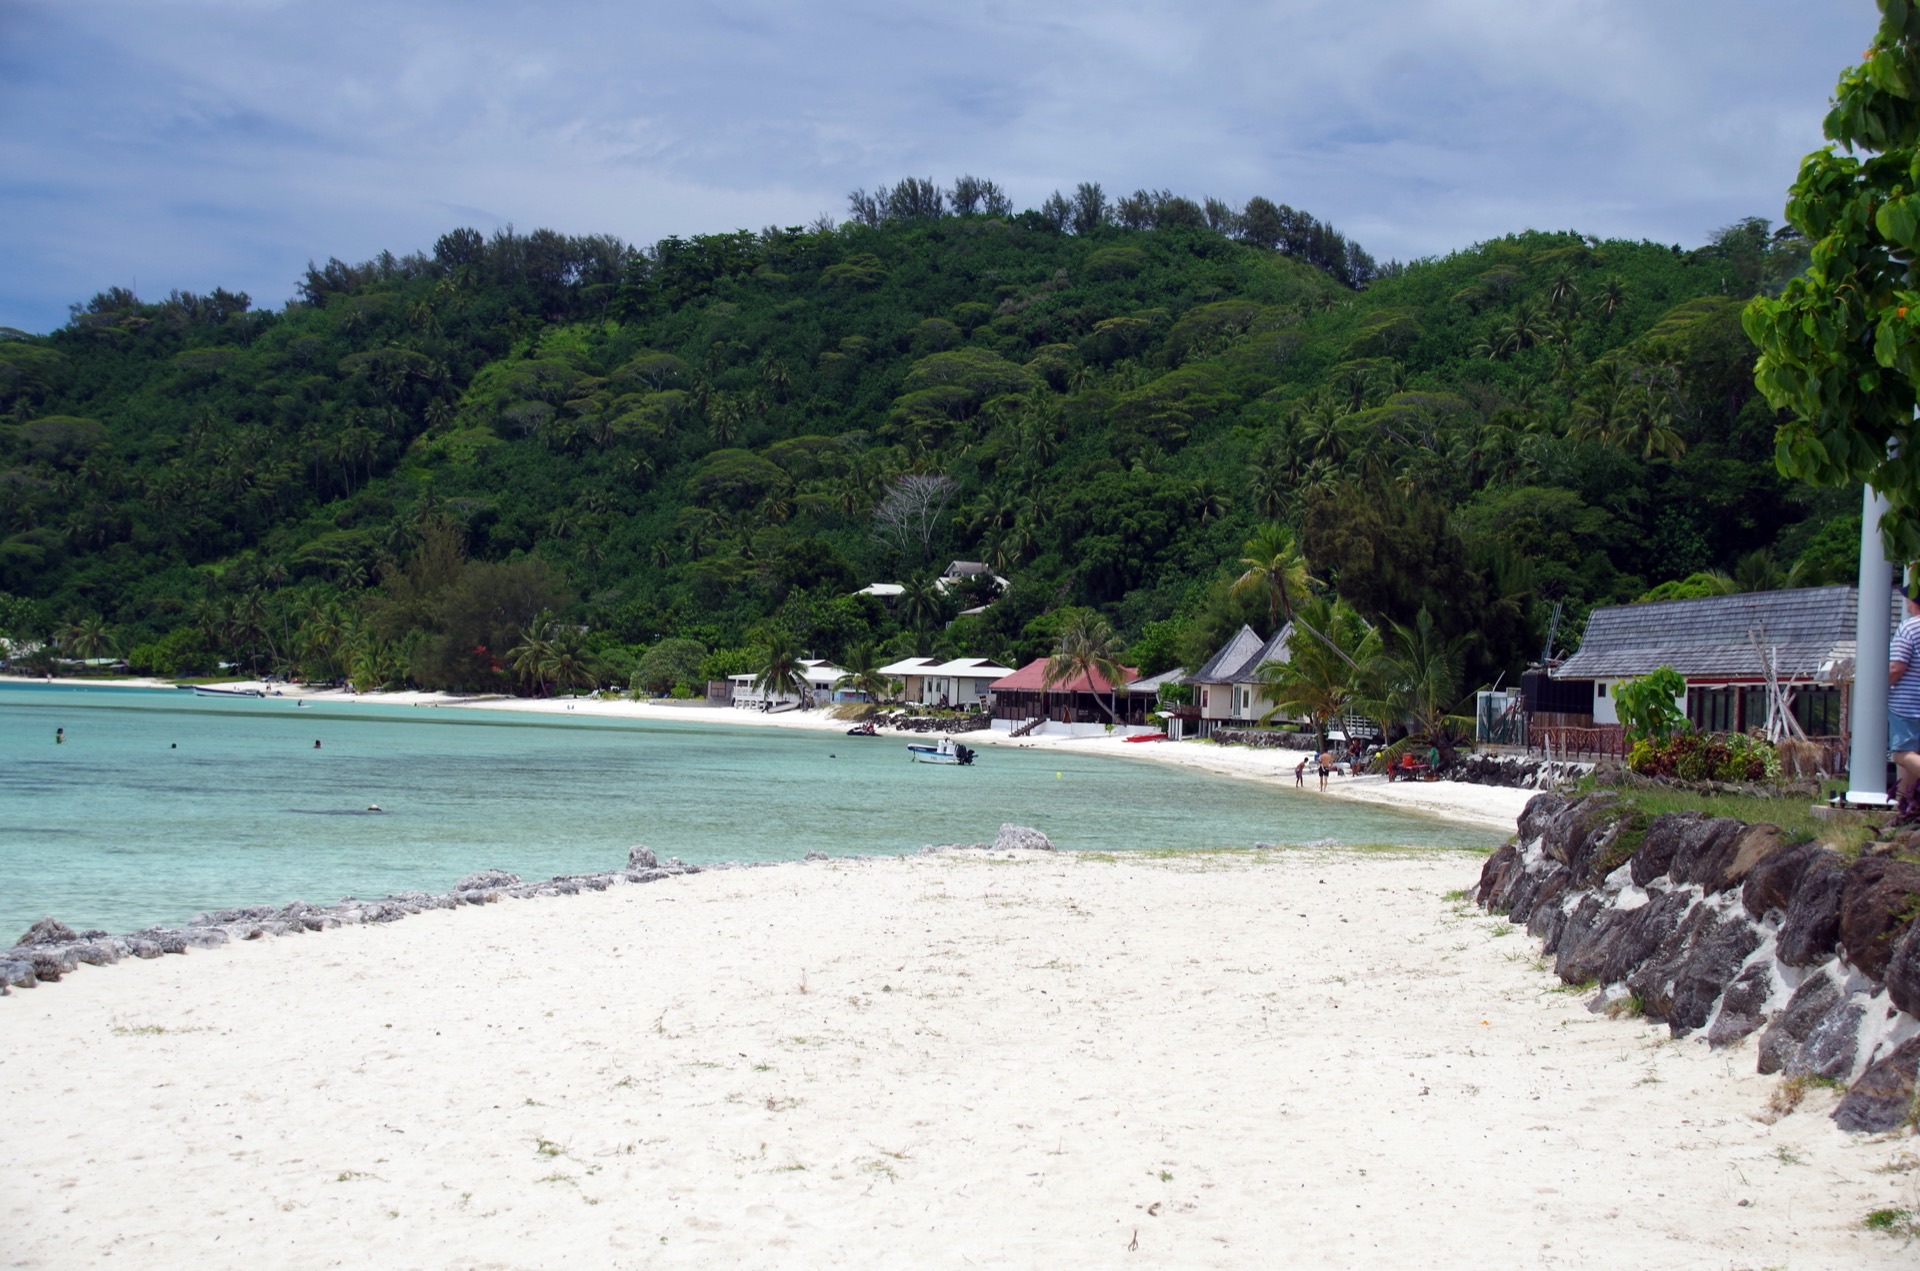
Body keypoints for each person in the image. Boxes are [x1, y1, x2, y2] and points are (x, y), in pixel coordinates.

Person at [1889, 588, 1920, 800]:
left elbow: (1896, 667)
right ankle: (1905, 805)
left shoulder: (1909, 628)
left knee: (1902, 754)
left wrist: (1877, 691)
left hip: (1908, 704)